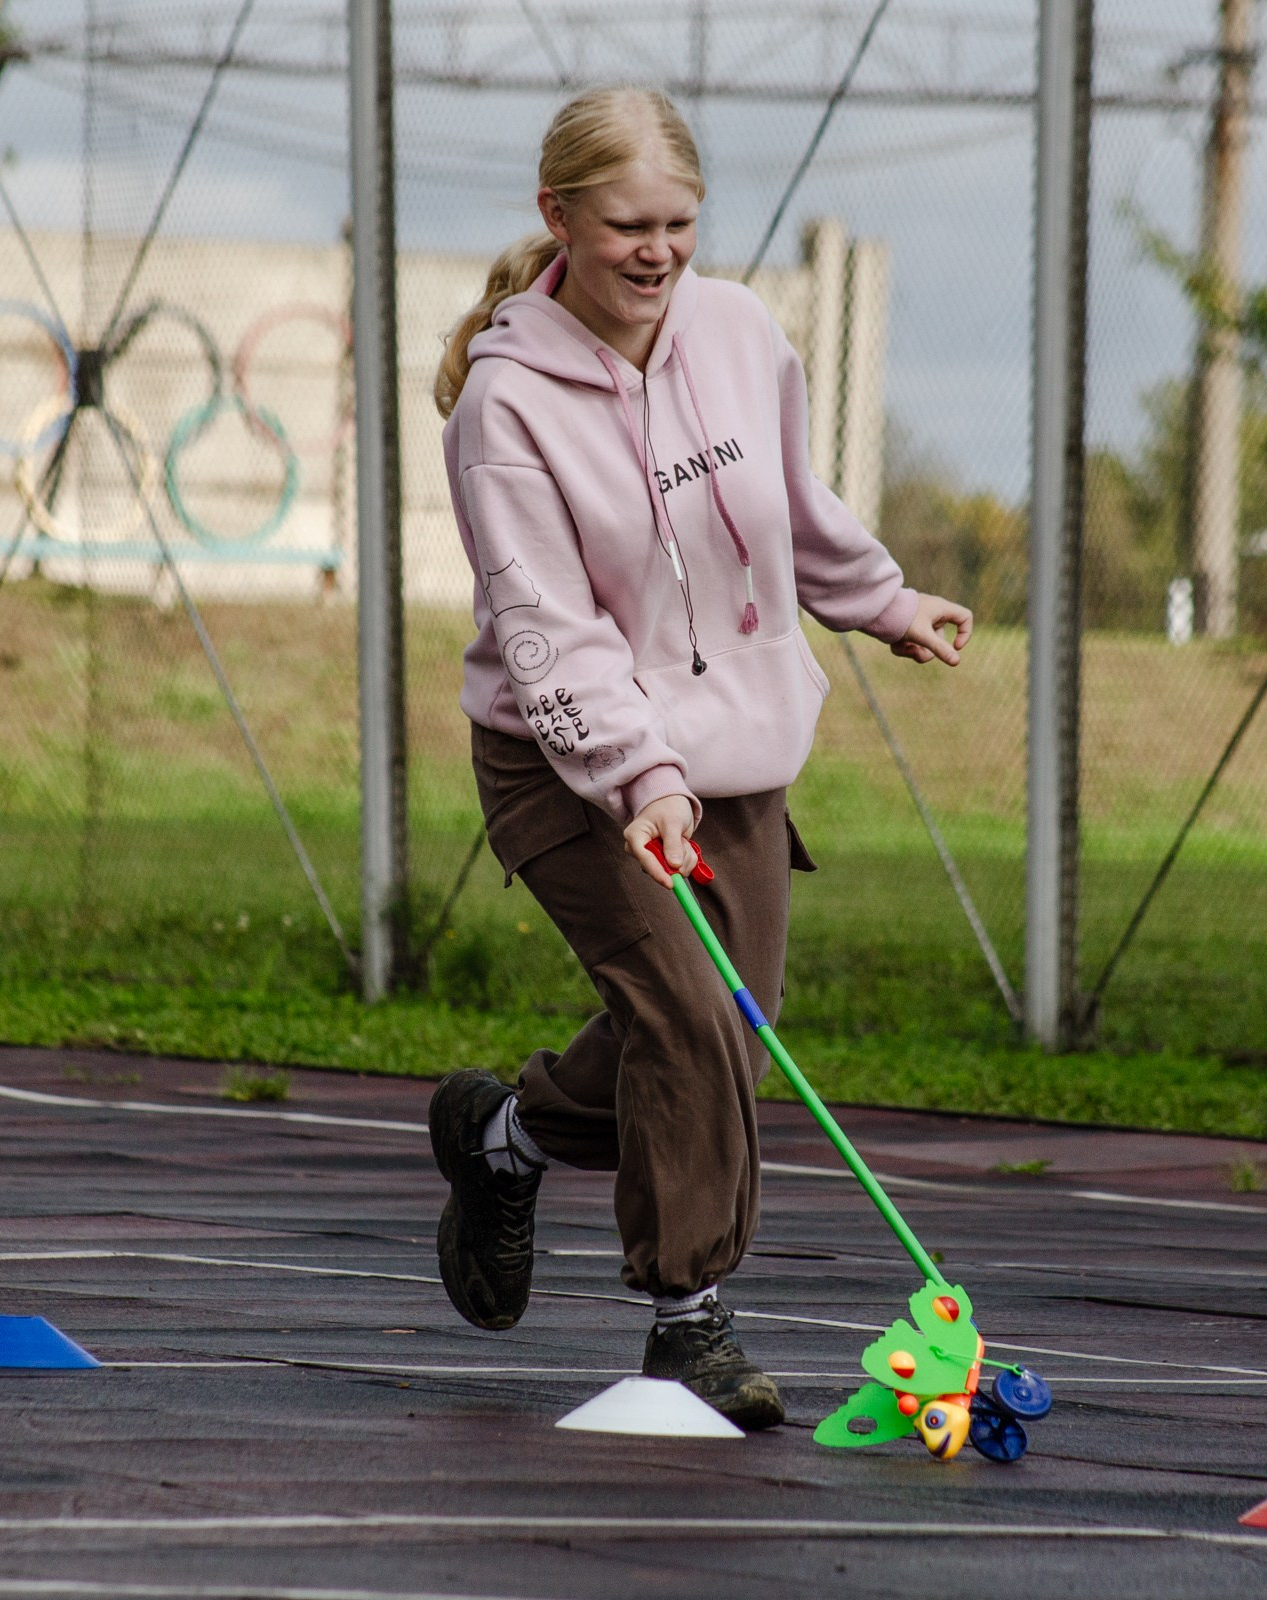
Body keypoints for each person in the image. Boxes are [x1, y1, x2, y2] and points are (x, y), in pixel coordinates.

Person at [424, 87, 973, 1429]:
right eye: (627, 226)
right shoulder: (505, 409)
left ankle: (506, 1137)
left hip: (733, 756)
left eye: (678, 222)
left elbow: (786, 500)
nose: (657, 251)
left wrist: (884, 600)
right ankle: (691, 1318)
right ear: (559, 219)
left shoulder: (736, 333)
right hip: (566, 766)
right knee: (683, 1018)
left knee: (721, 1036)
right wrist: (642, 781)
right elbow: (550, 636)